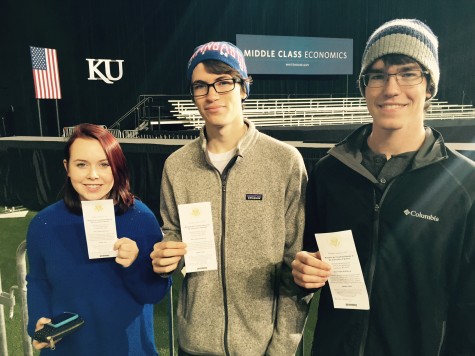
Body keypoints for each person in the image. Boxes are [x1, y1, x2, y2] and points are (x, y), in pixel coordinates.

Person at [292, 18, 475, 355]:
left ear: (429, 86)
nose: (391, 89)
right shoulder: (331, 172)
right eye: (377, 75)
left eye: (408, 73)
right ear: (364, 87)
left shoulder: (465, 185)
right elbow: (305, 259)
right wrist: (301, 272)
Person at [150, 41, 309, 355]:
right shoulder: (177, 166)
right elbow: (173, 235)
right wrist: (166, 255)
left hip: (262, 347)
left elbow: (297, 263)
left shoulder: (285, 162)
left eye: (223, 82)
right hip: (195, 344)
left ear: (244, 88)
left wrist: (281, 348)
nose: (212, 94)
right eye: (200, 85)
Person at [26, 123, 170, 355]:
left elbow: (154, 294)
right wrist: (38, 320)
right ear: (67, 168)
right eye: (81, 164)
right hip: (68, 348)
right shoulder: (44, 224)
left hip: (129, 348)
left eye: (104, 164)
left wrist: (134, 265)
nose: (93, 175)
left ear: (117, 168)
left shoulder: (140, 218)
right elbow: (38, 281)